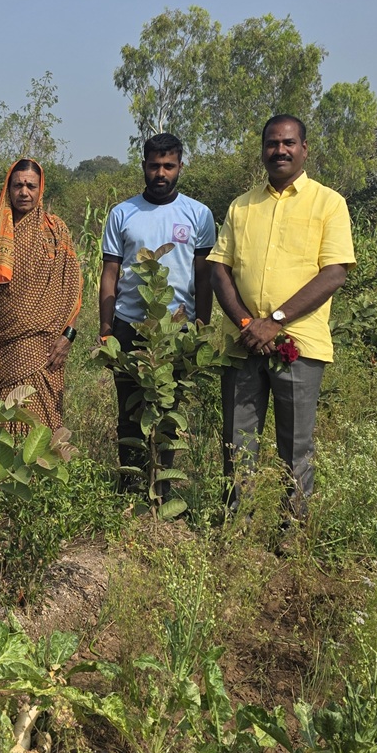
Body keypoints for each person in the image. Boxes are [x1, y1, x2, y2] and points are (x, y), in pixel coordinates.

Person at [209, 113, 355, 520]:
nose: (280, 150)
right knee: (237, 441)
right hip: (243, 344)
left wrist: (274, 321)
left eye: (288, 143)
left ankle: (293, 530)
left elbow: (334, 273)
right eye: (272, 143)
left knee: (296, 445)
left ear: (304, 149)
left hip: (299, 343)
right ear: (262, 151)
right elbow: (219, 269)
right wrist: (246, 323)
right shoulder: (242, 206)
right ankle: (238, 526)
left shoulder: (328, 203)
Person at [98, 132, 216, 487]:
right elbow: (110, 274)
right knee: (129, 410)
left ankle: (160, 489)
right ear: (143, 166)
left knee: (166, 410)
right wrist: (106, 329)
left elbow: (204, 277)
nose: (161, 173)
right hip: (128, 326)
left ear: (180, 167)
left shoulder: (199, 214)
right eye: (154, 166)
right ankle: (131, 487)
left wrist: (200, 329)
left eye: (169, 166)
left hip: (175, 329)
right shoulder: (122, 213)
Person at [0, 158, 80, 431]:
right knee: (7, 418)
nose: (24, 192)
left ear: (40, 189)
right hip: (5, 340)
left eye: (31, 186)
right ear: (8, 188)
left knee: (44, 422)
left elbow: (72, 287)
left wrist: (68, 336)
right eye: (18, 185)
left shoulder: (56, 230)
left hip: (48, 343)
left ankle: (43, 460)